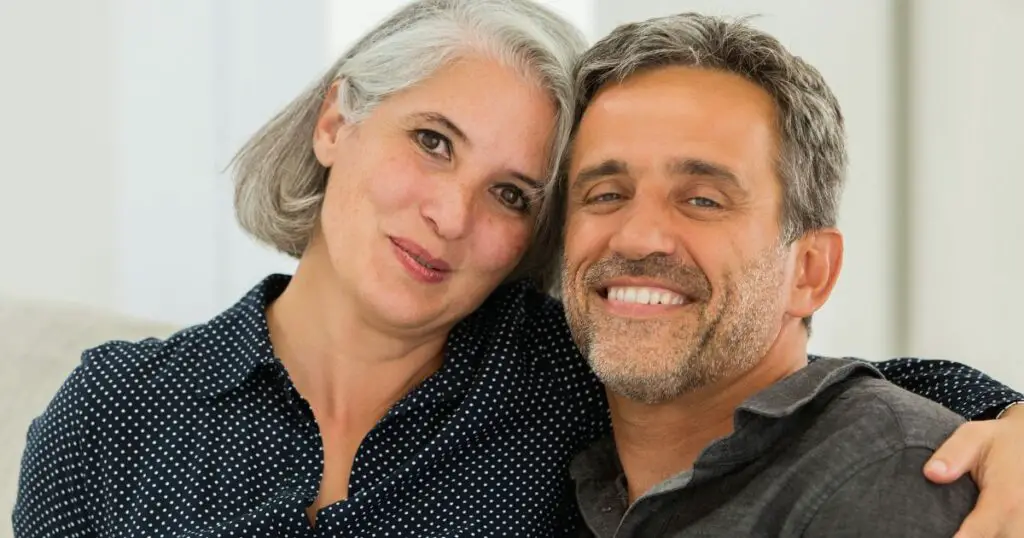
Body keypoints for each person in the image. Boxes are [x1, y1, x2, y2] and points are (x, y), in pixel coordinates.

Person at [11, 1, 1024, 537]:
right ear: (336, 120)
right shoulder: (116, 410)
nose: (449, 213)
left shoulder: (554, 375)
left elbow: (782, 388)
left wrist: (1011, 420)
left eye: (512, 194)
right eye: (433, 141)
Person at [558, 12, 1005, 537]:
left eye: (703, 200)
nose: (637, 237)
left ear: (810, 271)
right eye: (606, 194)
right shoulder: (553, 444)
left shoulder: (890, 478)